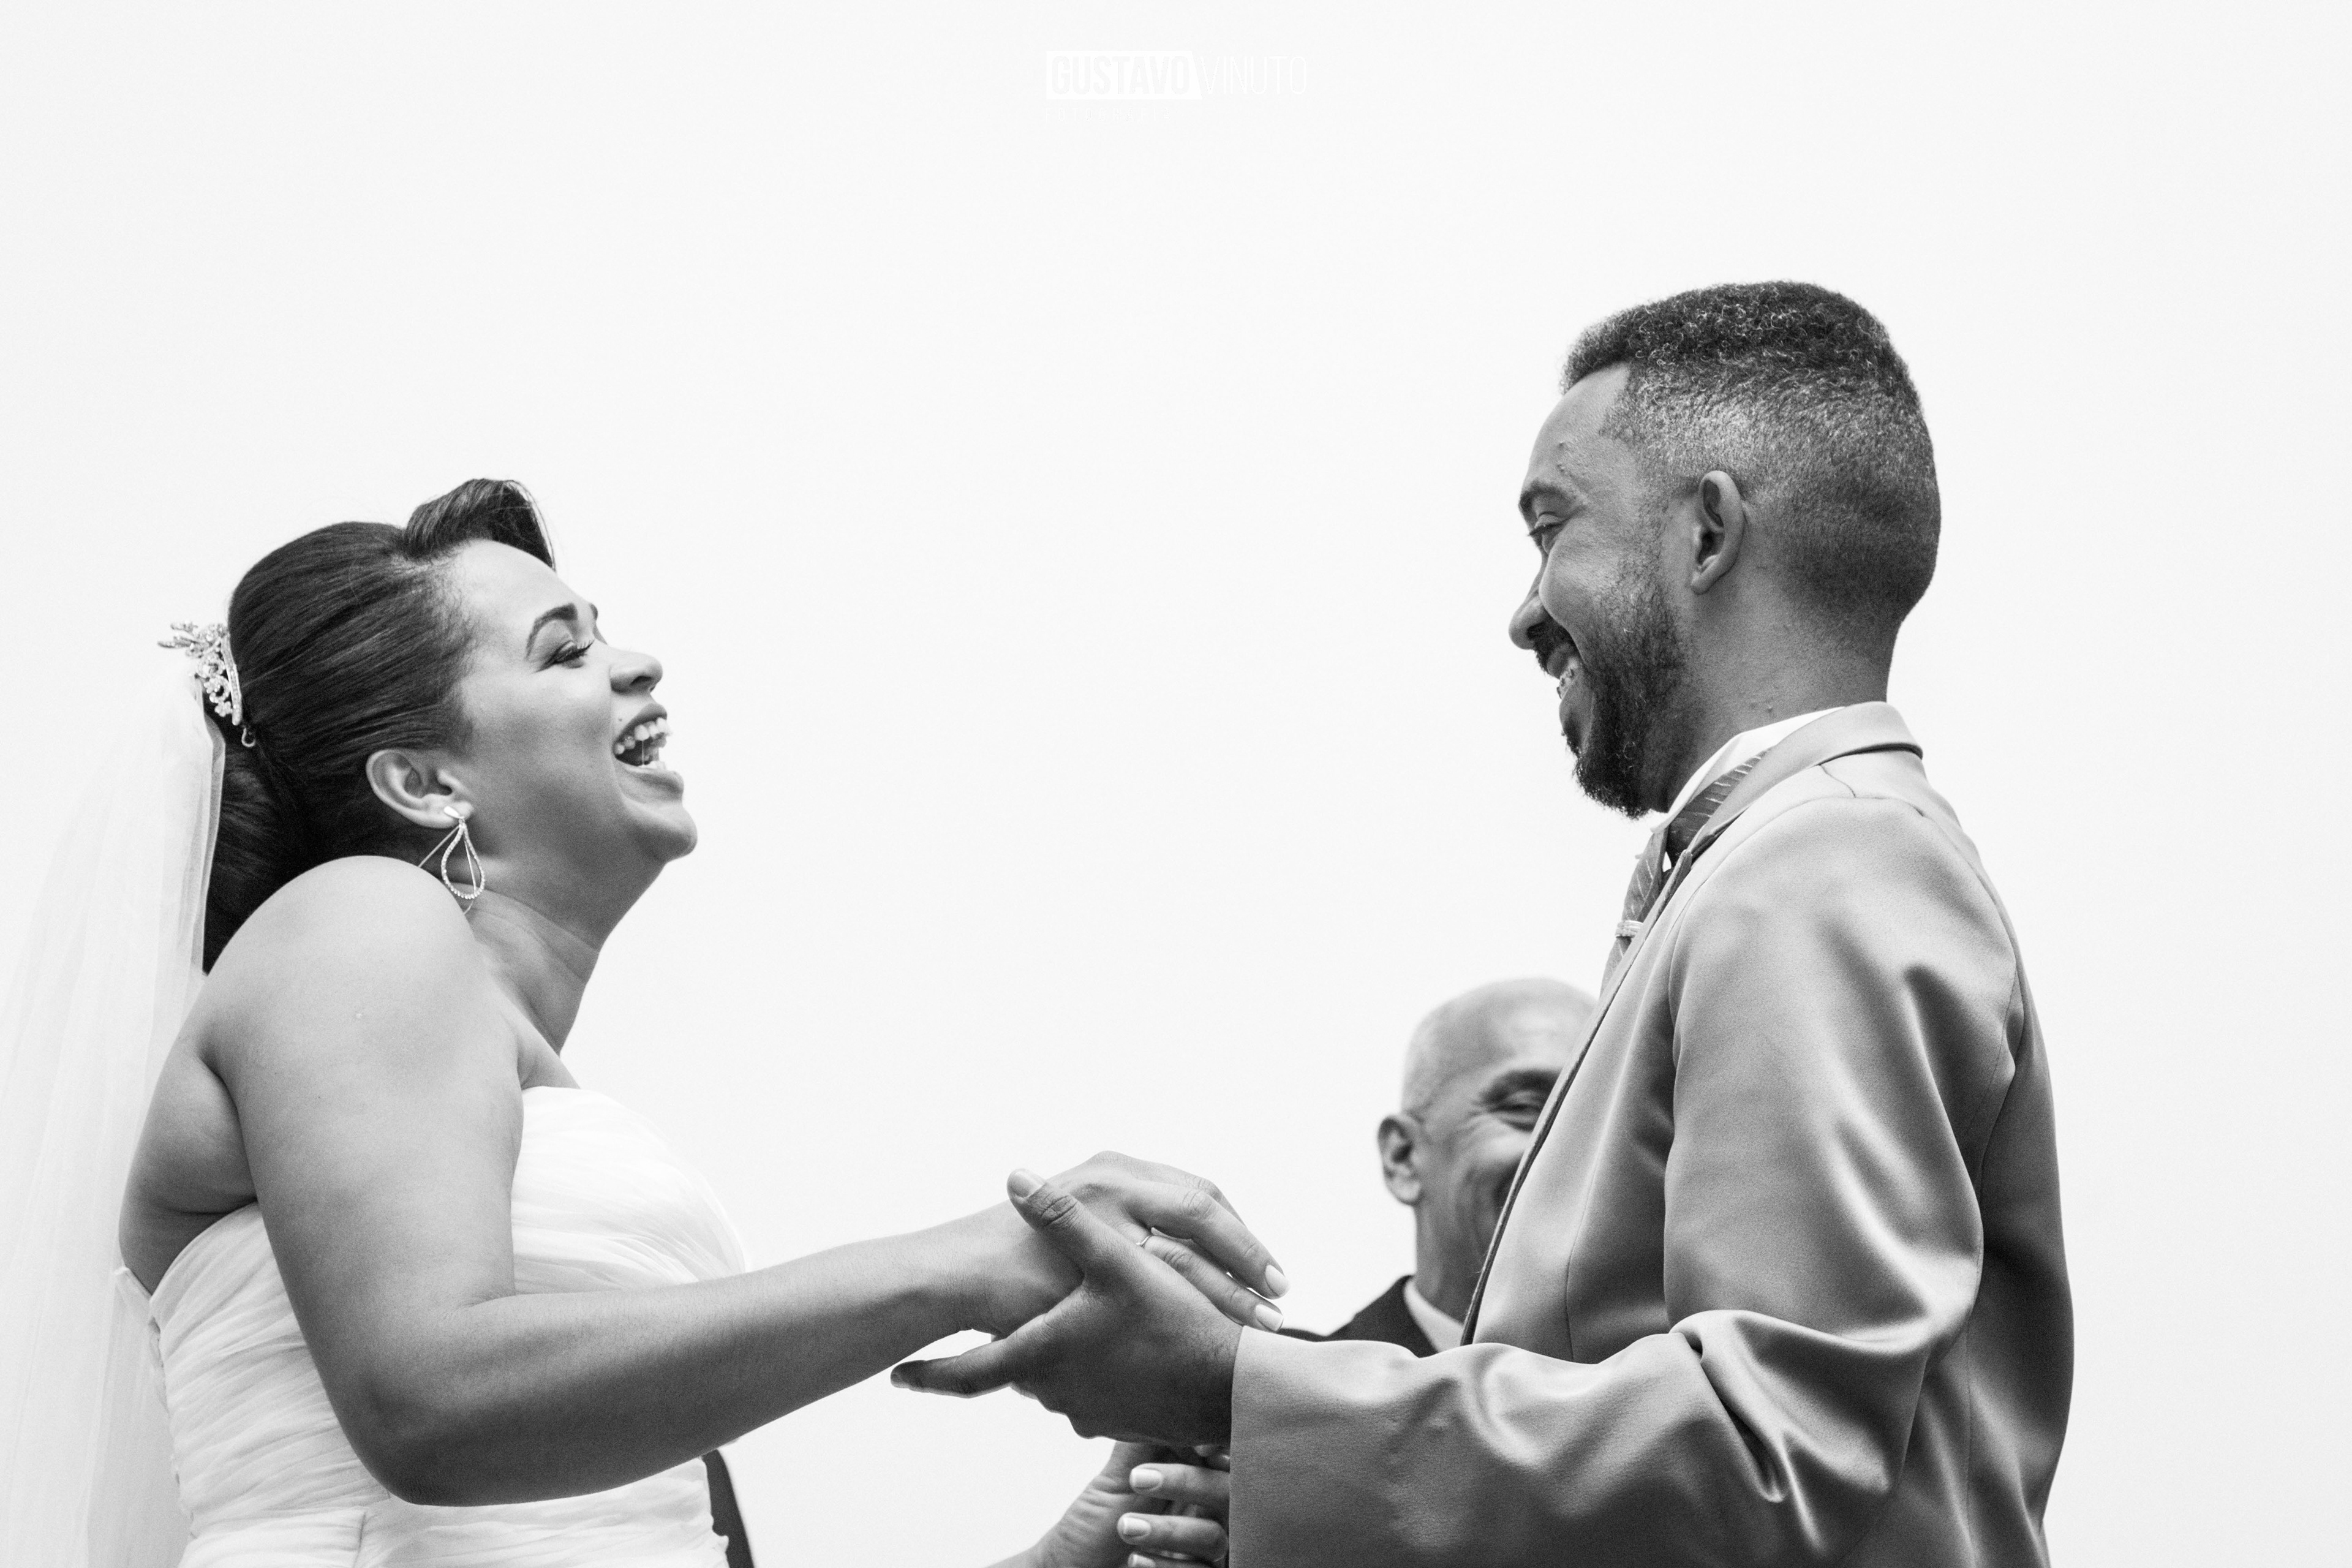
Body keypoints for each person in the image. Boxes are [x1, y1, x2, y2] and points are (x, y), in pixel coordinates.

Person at [896, 282, 2075, 1567]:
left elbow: (1769, 1456)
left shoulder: (1821, 864)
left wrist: (1239, 1387)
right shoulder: (1772, 864)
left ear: (1708, 533)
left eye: (1552, 527)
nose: (1523, 612)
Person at [0, 480, 1278, 1567]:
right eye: (563, 651)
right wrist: (961, 1265)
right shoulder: (355, 918)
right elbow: (425, 1400)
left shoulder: (544, 1132)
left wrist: (1076, 1551)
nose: (637, 661)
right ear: (425, 780)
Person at [1314, 978, 1591, 1355]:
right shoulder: (1279, 1384)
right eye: (1525, 1107)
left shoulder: (1664, 1382)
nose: (1582, 1150)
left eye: (1600, 1118)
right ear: (1403, 1157)